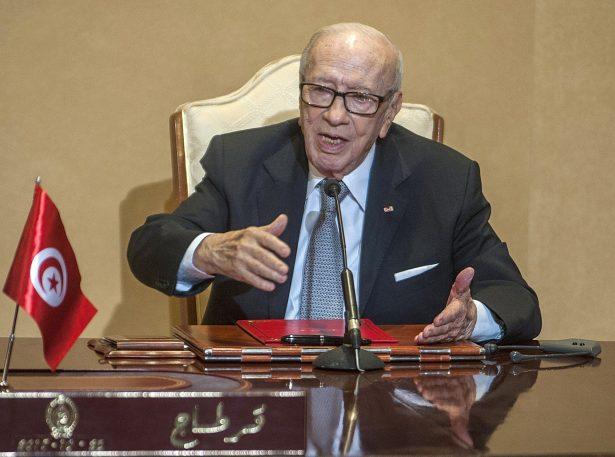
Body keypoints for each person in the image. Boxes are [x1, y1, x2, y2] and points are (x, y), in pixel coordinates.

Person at [128, 23, 541, 343]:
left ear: (389, 112)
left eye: (360, 98)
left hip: (390, 408)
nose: (335, 116)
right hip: (258, 395)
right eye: (321, 91)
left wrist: (473, 320)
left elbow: (514, 297)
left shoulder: (445, 181)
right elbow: (152, 245)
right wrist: (211, 252)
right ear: (301, 93)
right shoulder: (242, 162)